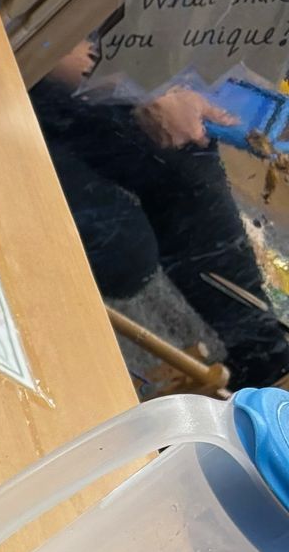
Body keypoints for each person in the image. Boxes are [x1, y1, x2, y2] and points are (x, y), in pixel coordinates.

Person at [30, 39, 289, 390]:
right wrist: (147, 91)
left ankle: (264, 355)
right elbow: (37, 28)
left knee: (188, 166)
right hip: (25, 62)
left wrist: (174, 84)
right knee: (123, 253)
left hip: (101, 63)